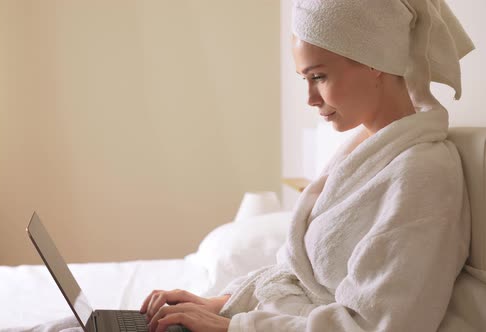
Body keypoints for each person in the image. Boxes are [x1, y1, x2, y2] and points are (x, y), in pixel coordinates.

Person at [140, 0, 478, 331]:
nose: (310, 99)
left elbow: (375, 324)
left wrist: (233, 327)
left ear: (373, 60)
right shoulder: (362, 149)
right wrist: (222, 304)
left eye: (318, 76)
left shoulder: (424, 173)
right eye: (305, 78)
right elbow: (299, 273)